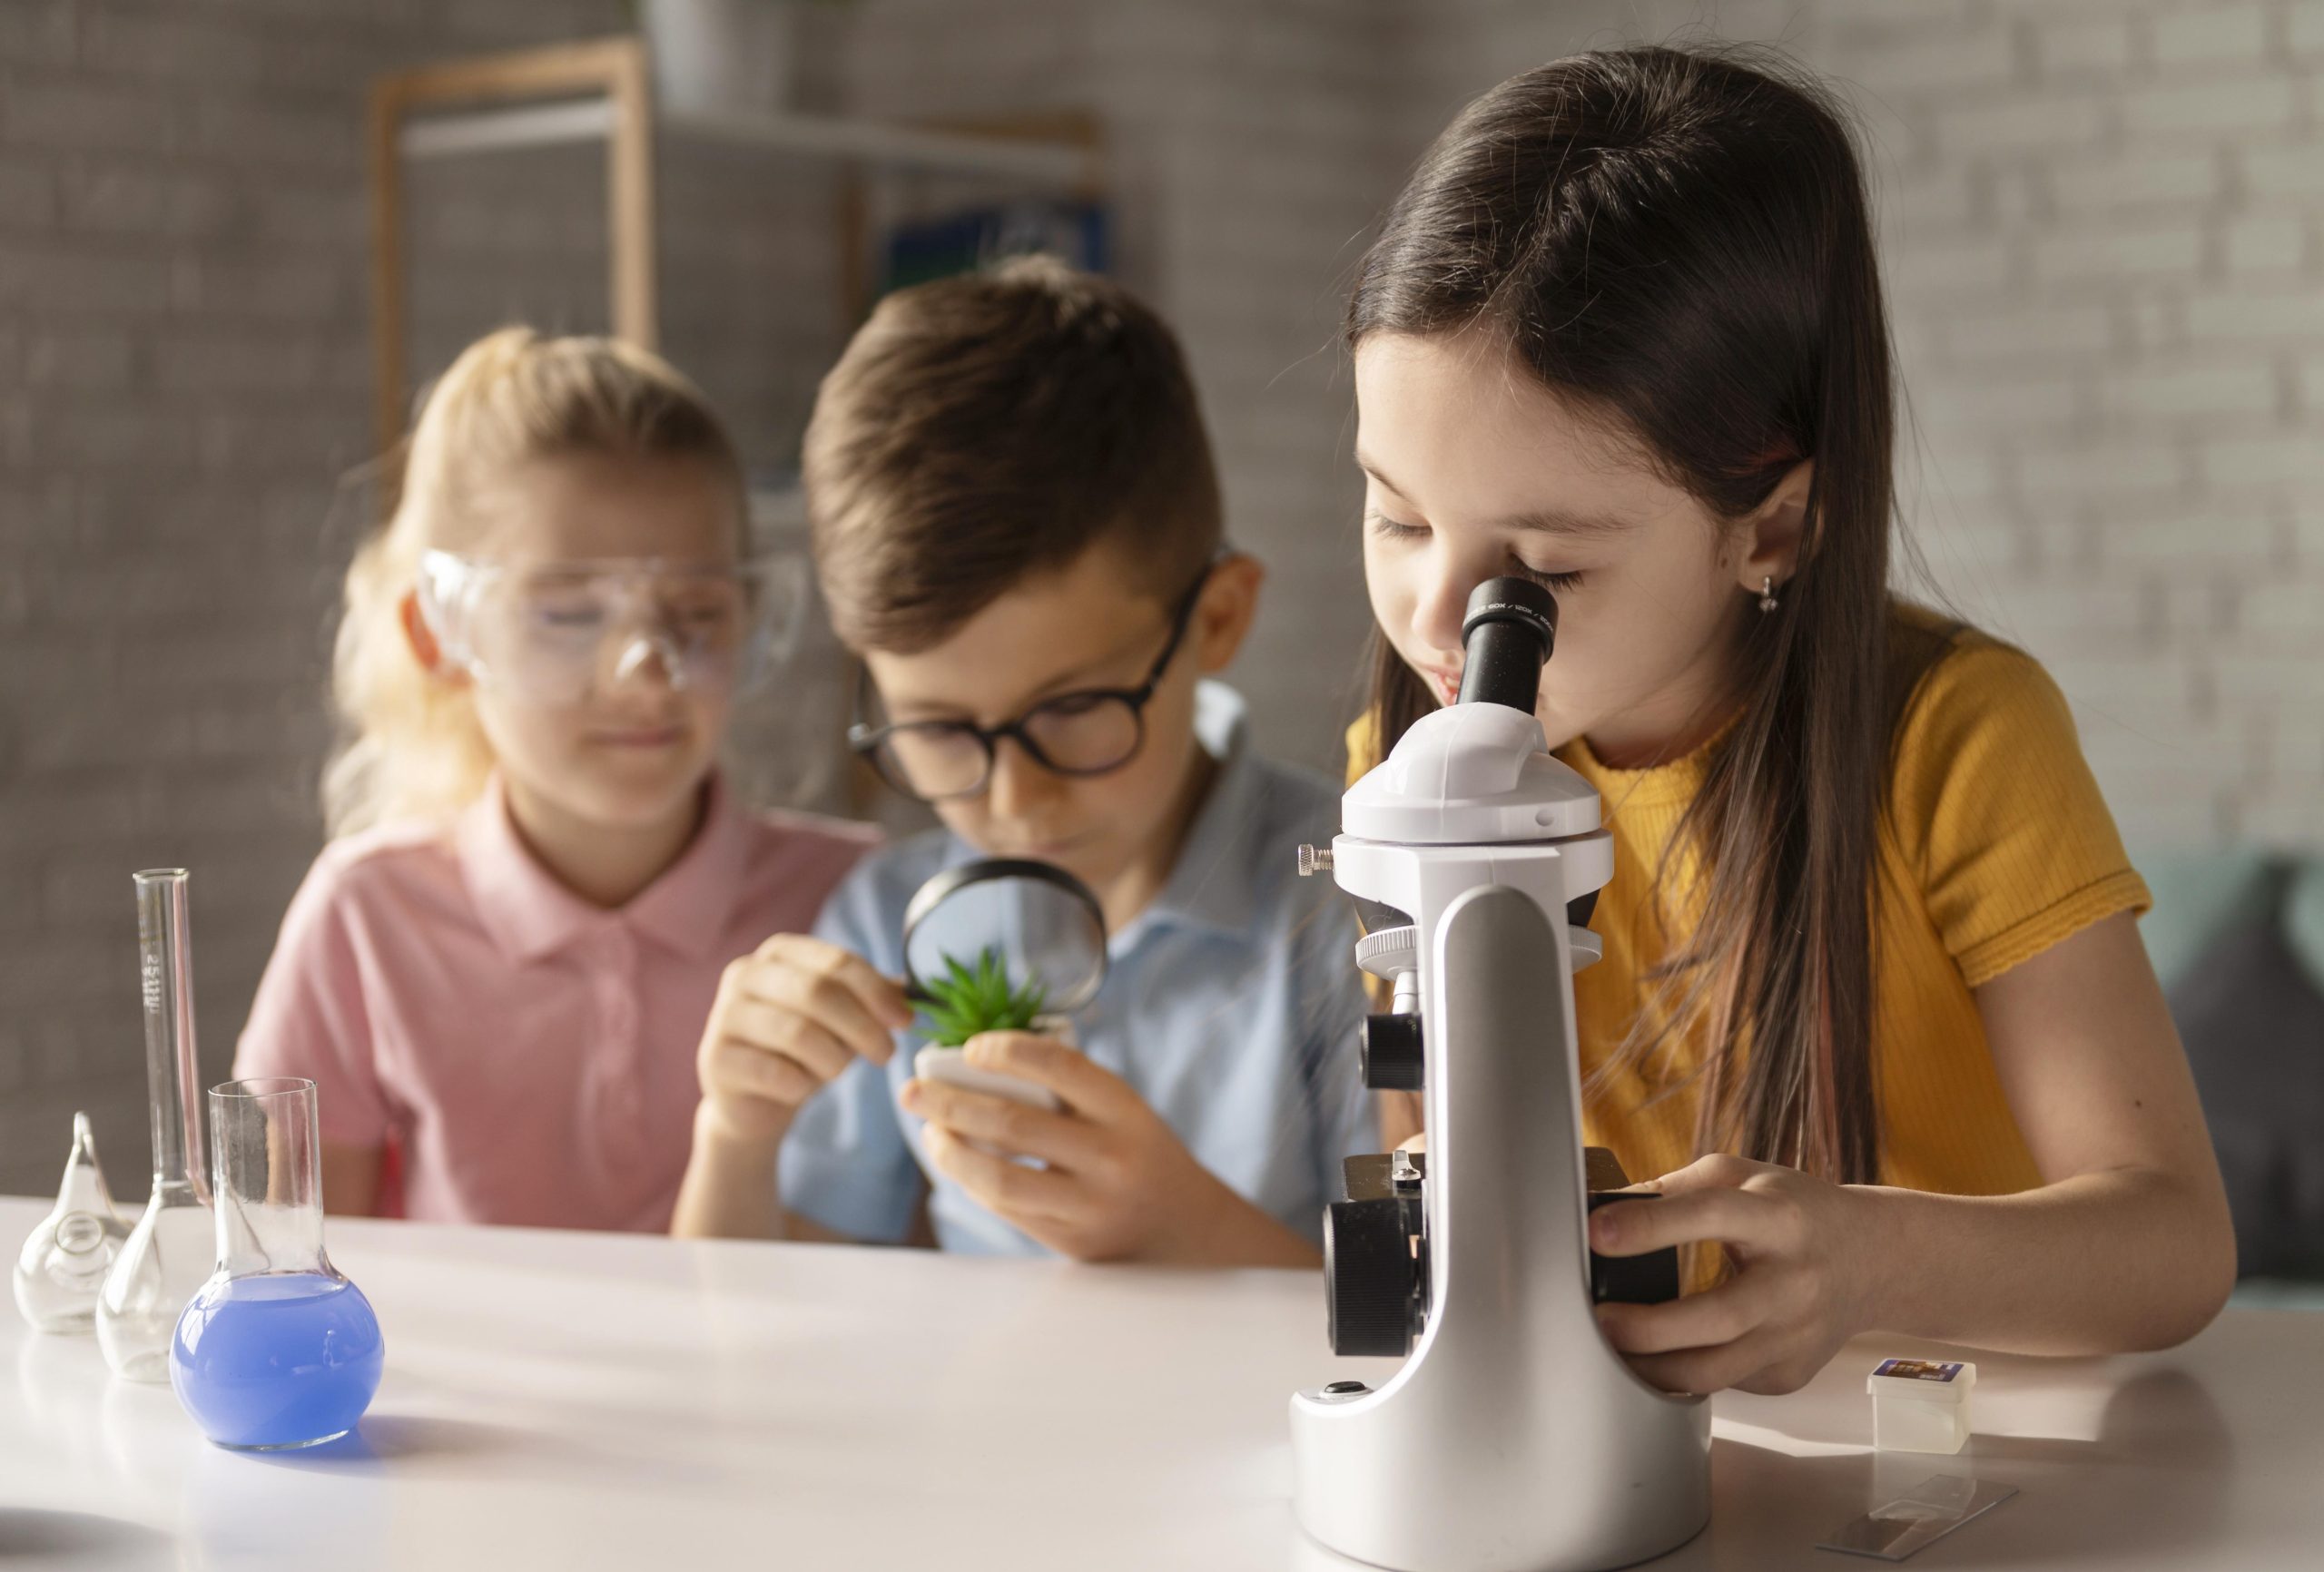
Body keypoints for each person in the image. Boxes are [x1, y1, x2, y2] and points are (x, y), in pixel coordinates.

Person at [1343, 47, 2233, 1393]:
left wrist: (1866, 1265)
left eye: (1549, 569)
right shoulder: (1406, 763)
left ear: (1775, 525)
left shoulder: (1954, 740)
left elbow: (2172, 1247)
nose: (1440, 616)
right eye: (1398, 515)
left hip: (1958, 1439)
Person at [671, 259, 1374, 1263]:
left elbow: (1437, 1340)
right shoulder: (890, 920)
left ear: (1217, 618)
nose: (1014, 799)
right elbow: (754, 1335)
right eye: (942, 729)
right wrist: (737, 1132)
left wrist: (1186, 1232)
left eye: (1075, 708)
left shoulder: (1351, 907)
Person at [236, 328, 874, 1231]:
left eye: (696, 612)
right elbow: (284, 1278)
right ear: (439, 634)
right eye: (570, 614)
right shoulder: (367, 918)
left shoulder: (856, 903)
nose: (645, 671)